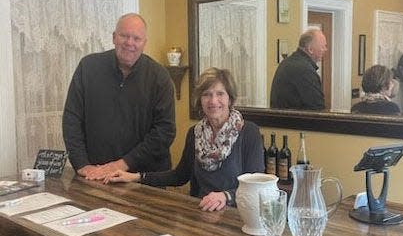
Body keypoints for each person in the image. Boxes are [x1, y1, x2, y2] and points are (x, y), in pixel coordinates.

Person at [104, 67, 265, 212]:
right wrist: (136, 177)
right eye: (206, 94)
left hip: (237, 217)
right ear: (200, 100)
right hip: (201, 214)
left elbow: (256, 186)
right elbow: (179, 176)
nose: (213, 101)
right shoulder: (195, 133)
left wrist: (225, 196)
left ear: (230, 99)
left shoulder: (249, 132)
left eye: (220, 94)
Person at [62, 13, 176, 180]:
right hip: (95, 176)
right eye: (124, 36)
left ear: (145, 43)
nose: (130, 43)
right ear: (114, 37)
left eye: (136, 38)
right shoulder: (88, 67)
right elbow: (72, 119)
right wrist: (81, 164)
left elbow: (164, 131)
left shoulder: (160, 77)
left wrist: (121, 165)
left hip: (144, 179)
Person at [270, 28, 327, 110]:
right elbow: (316, 107)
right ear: (310, 49)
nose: (325, 50)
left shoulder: (287, 63)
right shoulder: (305, 71)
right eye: (323, 47)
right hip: (297, 121)